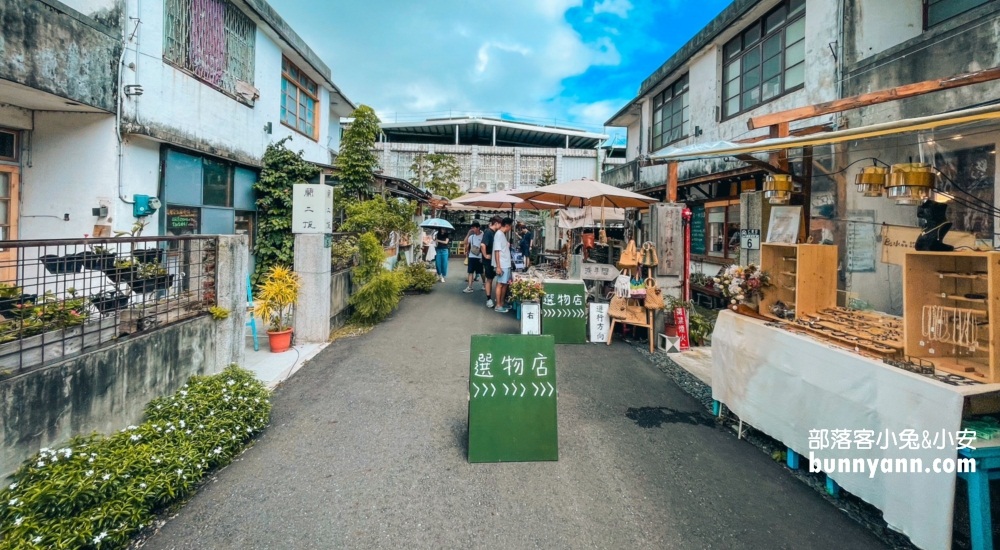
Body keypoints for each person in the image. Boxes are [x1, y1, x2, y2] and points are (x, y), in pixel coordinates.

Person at [492, 217, 514, 313]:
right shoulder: (499, 235)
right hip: (502, 264)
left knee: (504, 284)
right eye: (511, 226)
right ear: (507, 225)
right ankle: (498, 305)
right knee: (500, 284)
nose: (511, 228)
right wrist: (498, 266)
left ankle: (501, 303)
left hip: (506, 263)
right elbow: (497, 251)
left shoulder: (502, 235)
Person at [480, 216, 501, 308]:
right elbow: (482, 244)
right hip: (489, 260)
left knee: (492, 278)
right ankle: (489, 299)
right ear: (496, 223)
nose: (501, 226)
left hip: (492, 259)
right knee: (489, 279)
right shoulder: (488, 232)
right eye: (500, 224)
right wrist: (485, 255)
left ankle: (495, 298)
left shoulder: (494, 232)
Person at [464, 222, 483, 293]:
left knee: (481, 272)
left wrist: (483, 256)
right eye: (472, 228)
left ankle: (484, 283)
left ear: (478, 228)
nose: (473, 229)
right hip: (472, 256)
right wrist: (468, 233)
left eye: (474, 228)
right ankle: (470, 287)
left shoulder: (483, 235)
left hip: (480, 256)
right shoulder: (471, 236)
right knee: (470, 271)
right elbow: (465, 242)